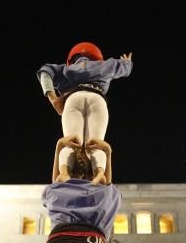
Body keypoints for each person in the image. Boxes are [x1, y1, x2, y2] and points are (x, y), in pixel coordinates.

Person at [36, 43, 132, 180]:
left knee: (71, 142)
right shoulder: (106, 65)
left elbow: (44, 72)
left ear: (72, 59)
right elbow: (126, 68)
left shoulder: (65, 69)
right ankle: (99, 174)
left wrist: (53, 99)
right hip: (97, 98)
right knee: (95, 144)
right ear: (98, 58)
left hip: (73, 98)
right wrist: (127, 63)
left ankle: (64, 173)